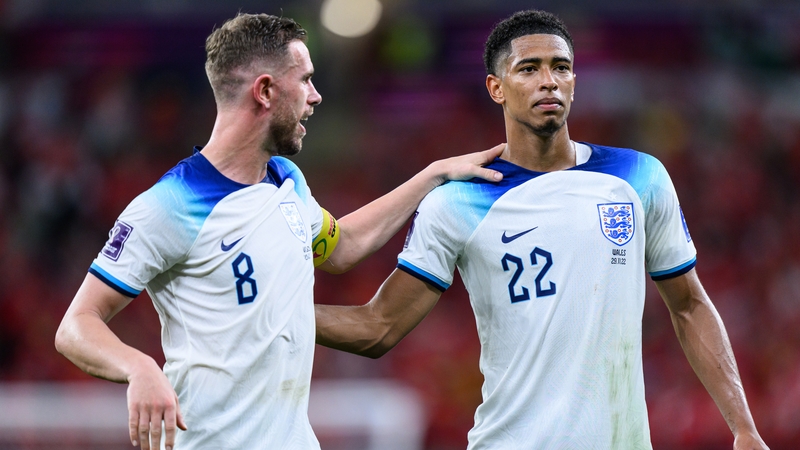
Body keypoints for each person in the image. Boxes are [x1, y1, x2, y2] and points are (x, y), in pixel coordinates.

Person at [315, 9, 769, 450]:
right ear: (496, 88)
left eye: (561, 67)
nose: (548, 80)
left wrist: (744, 427)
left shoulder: (638, 176)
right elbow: (378, 328)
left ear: (574, 82)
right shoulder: (457, 202)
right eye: (528, 68)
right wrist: (272, 311)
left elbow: (689, 305)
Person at [54, 13, 504, 450]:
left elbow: (342, 246)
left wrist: (431, 176)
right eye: (305, 79)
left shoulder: (286, 180)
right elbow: (75, 326)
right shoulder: (168, 205)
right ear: (265, 90)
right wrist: (139, 367)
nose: (316, 95)